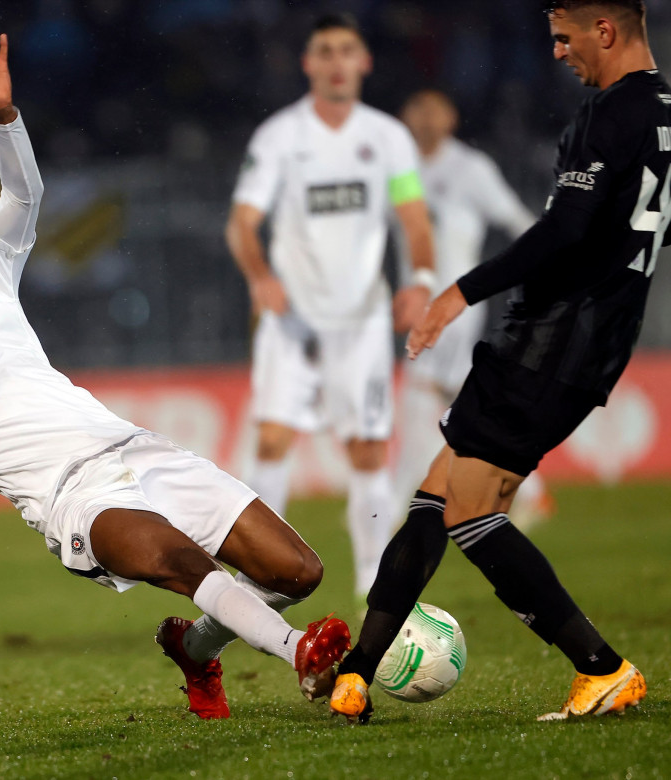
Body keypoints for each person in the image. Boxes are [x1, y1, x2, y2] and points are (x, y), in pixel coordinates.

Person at [0, 19, 351, 730]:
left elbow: (23, 199)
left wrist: (4, 118)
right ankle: (300, 654)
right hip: (75, 501)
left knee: (297, 572)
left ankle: (195, 649)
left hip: (135, 450)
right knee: (182, 562)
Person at [330, 0, 659, 723]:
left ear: (605, 31)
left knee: (470, 511)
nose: (557, 52)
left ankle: (602, 668)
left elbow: (564, 228)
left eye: (565, 37)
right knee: (437, 492)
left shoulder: (610, 113)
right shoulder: (664, 114)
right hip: (589, 336)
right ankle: (356, 672)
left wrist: (461, 291)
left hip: (554, 335)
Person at [225, 13, 436, 602]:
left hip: (361, 321)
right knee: (272, 441)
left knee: (367, 450)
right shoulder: (279, 137)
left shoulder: (387, 138)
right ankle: (256, 577)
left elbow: (414, 220)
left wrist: (420, 279)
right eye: (325, 51)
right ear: (308, 64)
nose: (337, 61)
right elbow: (243, 223)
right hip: (291, 322)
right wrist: (260, 276)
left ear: (364, 61)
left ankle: (374, 584)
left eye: (347, 50)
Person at [394, 89, 553, 530]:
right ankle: (534, 493)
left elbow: (515, 219)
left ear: (451, 118)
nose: (425, 119)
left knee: (417, 395)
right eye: (417, 109)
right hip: (421, 304)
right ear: (404, 117)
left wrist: (550, 260)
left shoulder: (470, 168)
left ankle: (394, 505)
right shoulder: (397, 169)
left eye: (434, 110)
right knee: (469, 401)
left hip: (456, 306)